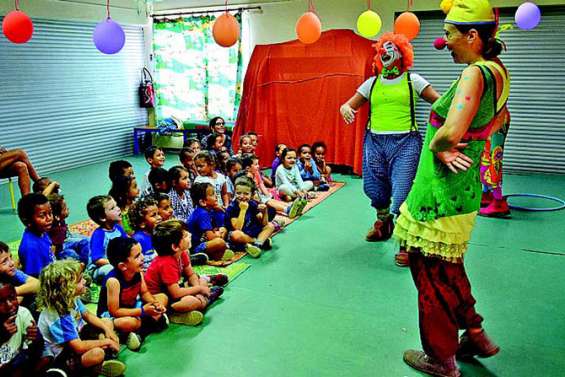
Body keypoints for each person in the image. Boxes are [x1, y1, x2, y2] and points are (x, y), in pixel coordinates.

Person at [394, 0, 509, 375]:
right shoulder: (498, 72)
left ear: (472, 35)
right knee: (450, 268)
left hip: (440, 195)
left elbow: (451, 132)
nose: (444, 44)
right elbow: (501, 117)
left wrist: (438, 144)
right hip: (463, 190)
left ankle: (440, 357)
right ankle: (474, 332)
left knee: (430, 276)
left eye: (448, 35)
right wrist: (477, 138)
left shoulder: (474, 74)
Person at [340, 32, 440, 258]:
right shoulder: (371, 83)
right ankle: (384, 224)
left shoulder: (412, 80)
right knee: (374, 188)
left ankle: (406, 240)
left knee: (403, 190)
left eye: (390, 47)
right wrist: (346, 109)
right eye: (382, 48)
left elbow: (440, 102)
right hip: (374, 141)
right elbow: (348, 105)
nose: (384, 51)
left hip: (405, 142)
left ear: (401, 53)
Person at [37, 260, 126, 377]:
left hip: (78, 335)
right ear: (66, 288)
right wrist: (107, 341)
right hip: (64, 354)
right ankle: (96, 365)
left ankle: (102, 360)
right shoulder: (59, 316)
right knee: (97, 353)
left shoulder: (70, 298)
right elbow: (78, 347)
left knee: (106, 322)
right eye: (79, 280)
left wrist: (107, 329)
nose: (84, 281)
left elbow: (87, 315)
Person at [144, 220, 224, 325]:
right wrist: (199, 289)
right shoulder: (166, 263)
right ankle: (174, 314)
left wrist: (198, 288)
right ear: (175, 246)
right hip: (164, 298)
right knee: (191, 301)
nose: (190, 235)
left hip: (175, 288)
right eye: (185, 236)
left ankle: (203, 299)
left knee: (200, 281)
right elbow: (176, 293)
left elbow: (191, 274)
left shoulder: (183, 253)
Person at [98, 237, 168, 351]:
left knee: (162, 298)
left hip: (132, 308)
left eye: (141, 253)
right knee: (129, 322)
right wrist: (143, 311)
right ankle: (138, 331)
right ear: (123, 266)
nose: (142, 258)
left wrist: (155, 304)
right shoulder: (113, 281)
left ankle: (139, 331)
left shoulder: (137, 272)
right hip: (113, 316)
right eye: (137, 256)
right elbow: (115, 311)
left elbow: (144, 293)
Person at [0, 282, 45, 377]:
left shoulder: (22, 313)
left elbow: (33, 355)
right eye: (1, 302)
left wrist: (36, 338)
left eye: (12, 298)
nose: (9, 305)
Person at [226, 176, 275, 254]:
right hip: (240, 235)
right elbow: (238, 228)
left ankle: (256, 245)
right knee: (236, 235)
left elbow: (264, 224)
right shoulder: (232, 207)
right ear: (234, 193)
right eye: (238, 193)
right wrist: (243, 210)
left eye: (246, 194)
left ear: (251, 195)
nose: (242, 196)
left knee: (270, 226)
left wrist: (265, 212)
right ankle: (258, 242)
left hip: (251, 231)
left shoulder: (252, 203)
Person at [187, 183, 235, 262]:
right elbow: (211, 237)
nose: (216, 196)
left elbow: (223, 224)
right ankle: (214, 255)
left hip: (205, 241)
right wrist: (218, 235)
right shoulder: (202, 213)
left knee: (224, 231)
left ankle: (218, 254)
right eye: (212, 194)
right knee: (220, 242)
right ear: (203, 202)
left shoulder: (212, 209)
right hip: (195, 247)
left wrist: (221, 211)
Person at [86, 195, 127, 284]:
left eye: (116, 205)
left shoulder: (118, 228)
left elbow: (128, 244)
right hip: (101, 267)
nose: (118, 209)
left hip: (118, 262)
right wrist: (117, 263)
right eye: (112, 208)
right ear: (102, 217)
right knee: (112, 270)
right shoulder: (99, 234)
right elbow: (97, 260)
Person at [479, 110, 511, 217]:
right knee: (485, 156)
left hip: (497, 117)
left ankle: (498, 202)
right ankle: (486, 193)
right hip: (487, 117)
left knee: (495, 158)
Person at [17, 193, 55, 278]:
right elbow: (36, 279)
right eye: (42, 216)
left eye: (50, 213)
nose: (49, 218)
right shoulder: (31, 248)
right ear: (28, 221)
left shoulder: (42, 231)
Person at [47, 193, 90, 265]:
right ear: (57, 216)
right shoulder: (57, 230)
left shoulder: (59, 219)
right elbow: (53, 249)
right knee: (72, 253)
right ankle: (85, 265)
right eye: (65, 208)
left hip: (66, 238)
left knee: (89, 240)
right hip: (60, 249)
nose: (68, 209)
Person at [0, 242, 39, 309]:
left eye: (11, 257)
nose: (12, 263)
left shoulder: (13, 272)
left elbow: (37, 284)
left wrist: (11, 292)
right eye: (4, 261)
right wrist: (25, 291)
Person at [129, 197, 161, 272]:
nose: (159, 217)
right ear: (142, 223)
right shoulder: (138, 239)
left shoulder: (158, 233)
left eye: (158, 214)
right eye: (154, 215)